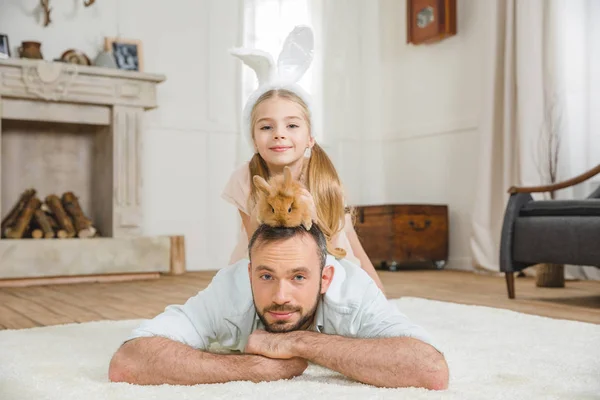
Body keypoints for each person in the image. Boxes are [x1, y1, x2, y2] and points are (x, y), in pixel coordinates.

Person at [108, 223, 448, 389]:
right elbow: (128, 362)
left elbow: (430, 369)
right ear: (249, 274)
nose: (281, 296)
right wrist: (255, 368)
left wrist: (295, 343)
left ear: (325, 279)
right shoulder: (230, 288)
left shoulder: (354, 292)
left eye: (299, 277)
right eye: (267, 276)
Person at [222, 25, 385, 292]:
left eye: (292, 126)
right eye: (266, 127)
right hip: (270, 266)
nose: (278, 135)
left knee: (350, 306)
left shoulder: (322, 177)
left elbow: (350, 240)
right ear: (252, 138)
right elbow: (255, 242)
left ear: (311, 137)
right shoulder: (244, 178)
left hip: (329, 267)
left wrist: (377, 290)